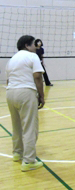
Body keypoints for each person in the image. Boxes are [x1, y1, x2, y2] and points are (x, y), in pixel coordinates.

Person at [6, 35, 45, 172]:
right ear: (27, 46)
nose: (36, 47)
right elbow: (38, 76)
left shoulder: (12, 59)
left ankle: (17, 153)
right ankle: (28, 161)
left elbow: (8, 80)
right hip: (25, 92)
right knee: (29, 127)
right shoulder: (32, 56)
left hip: (10, 93)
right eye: (34, 44)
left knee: (16, 125)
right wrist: (41, 95)